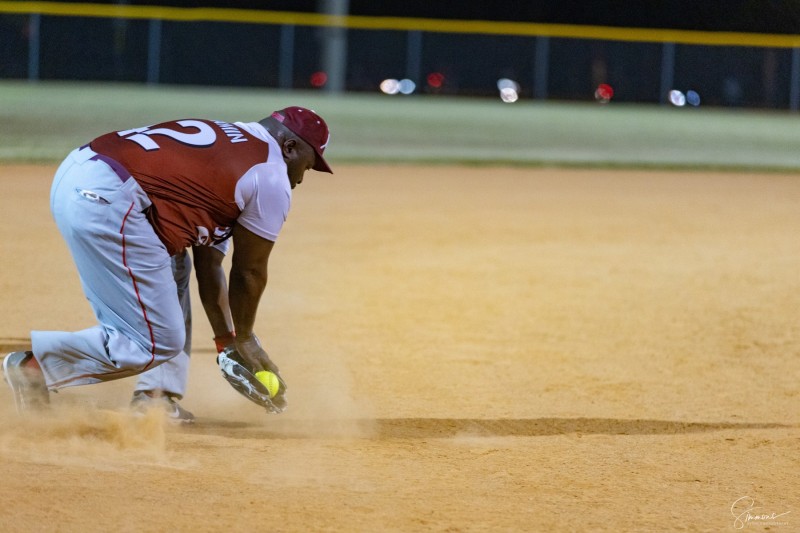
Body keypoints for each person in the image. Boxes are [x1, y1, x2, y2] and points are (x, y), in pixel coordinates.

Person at [2, 107, 333, 418]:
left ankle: (156, 398)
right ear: (289, 147)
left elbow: (210, 265)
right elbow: (248, 272)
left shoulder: (232, 142)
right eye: (307, 165)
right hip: (111, 198)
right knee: (154, 342)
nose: (301, 179)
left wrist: (226, 344)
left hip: (79, 172)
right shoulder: (271, 175)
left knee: (175, 267)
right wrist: (245, 337)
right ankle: (33, 369)